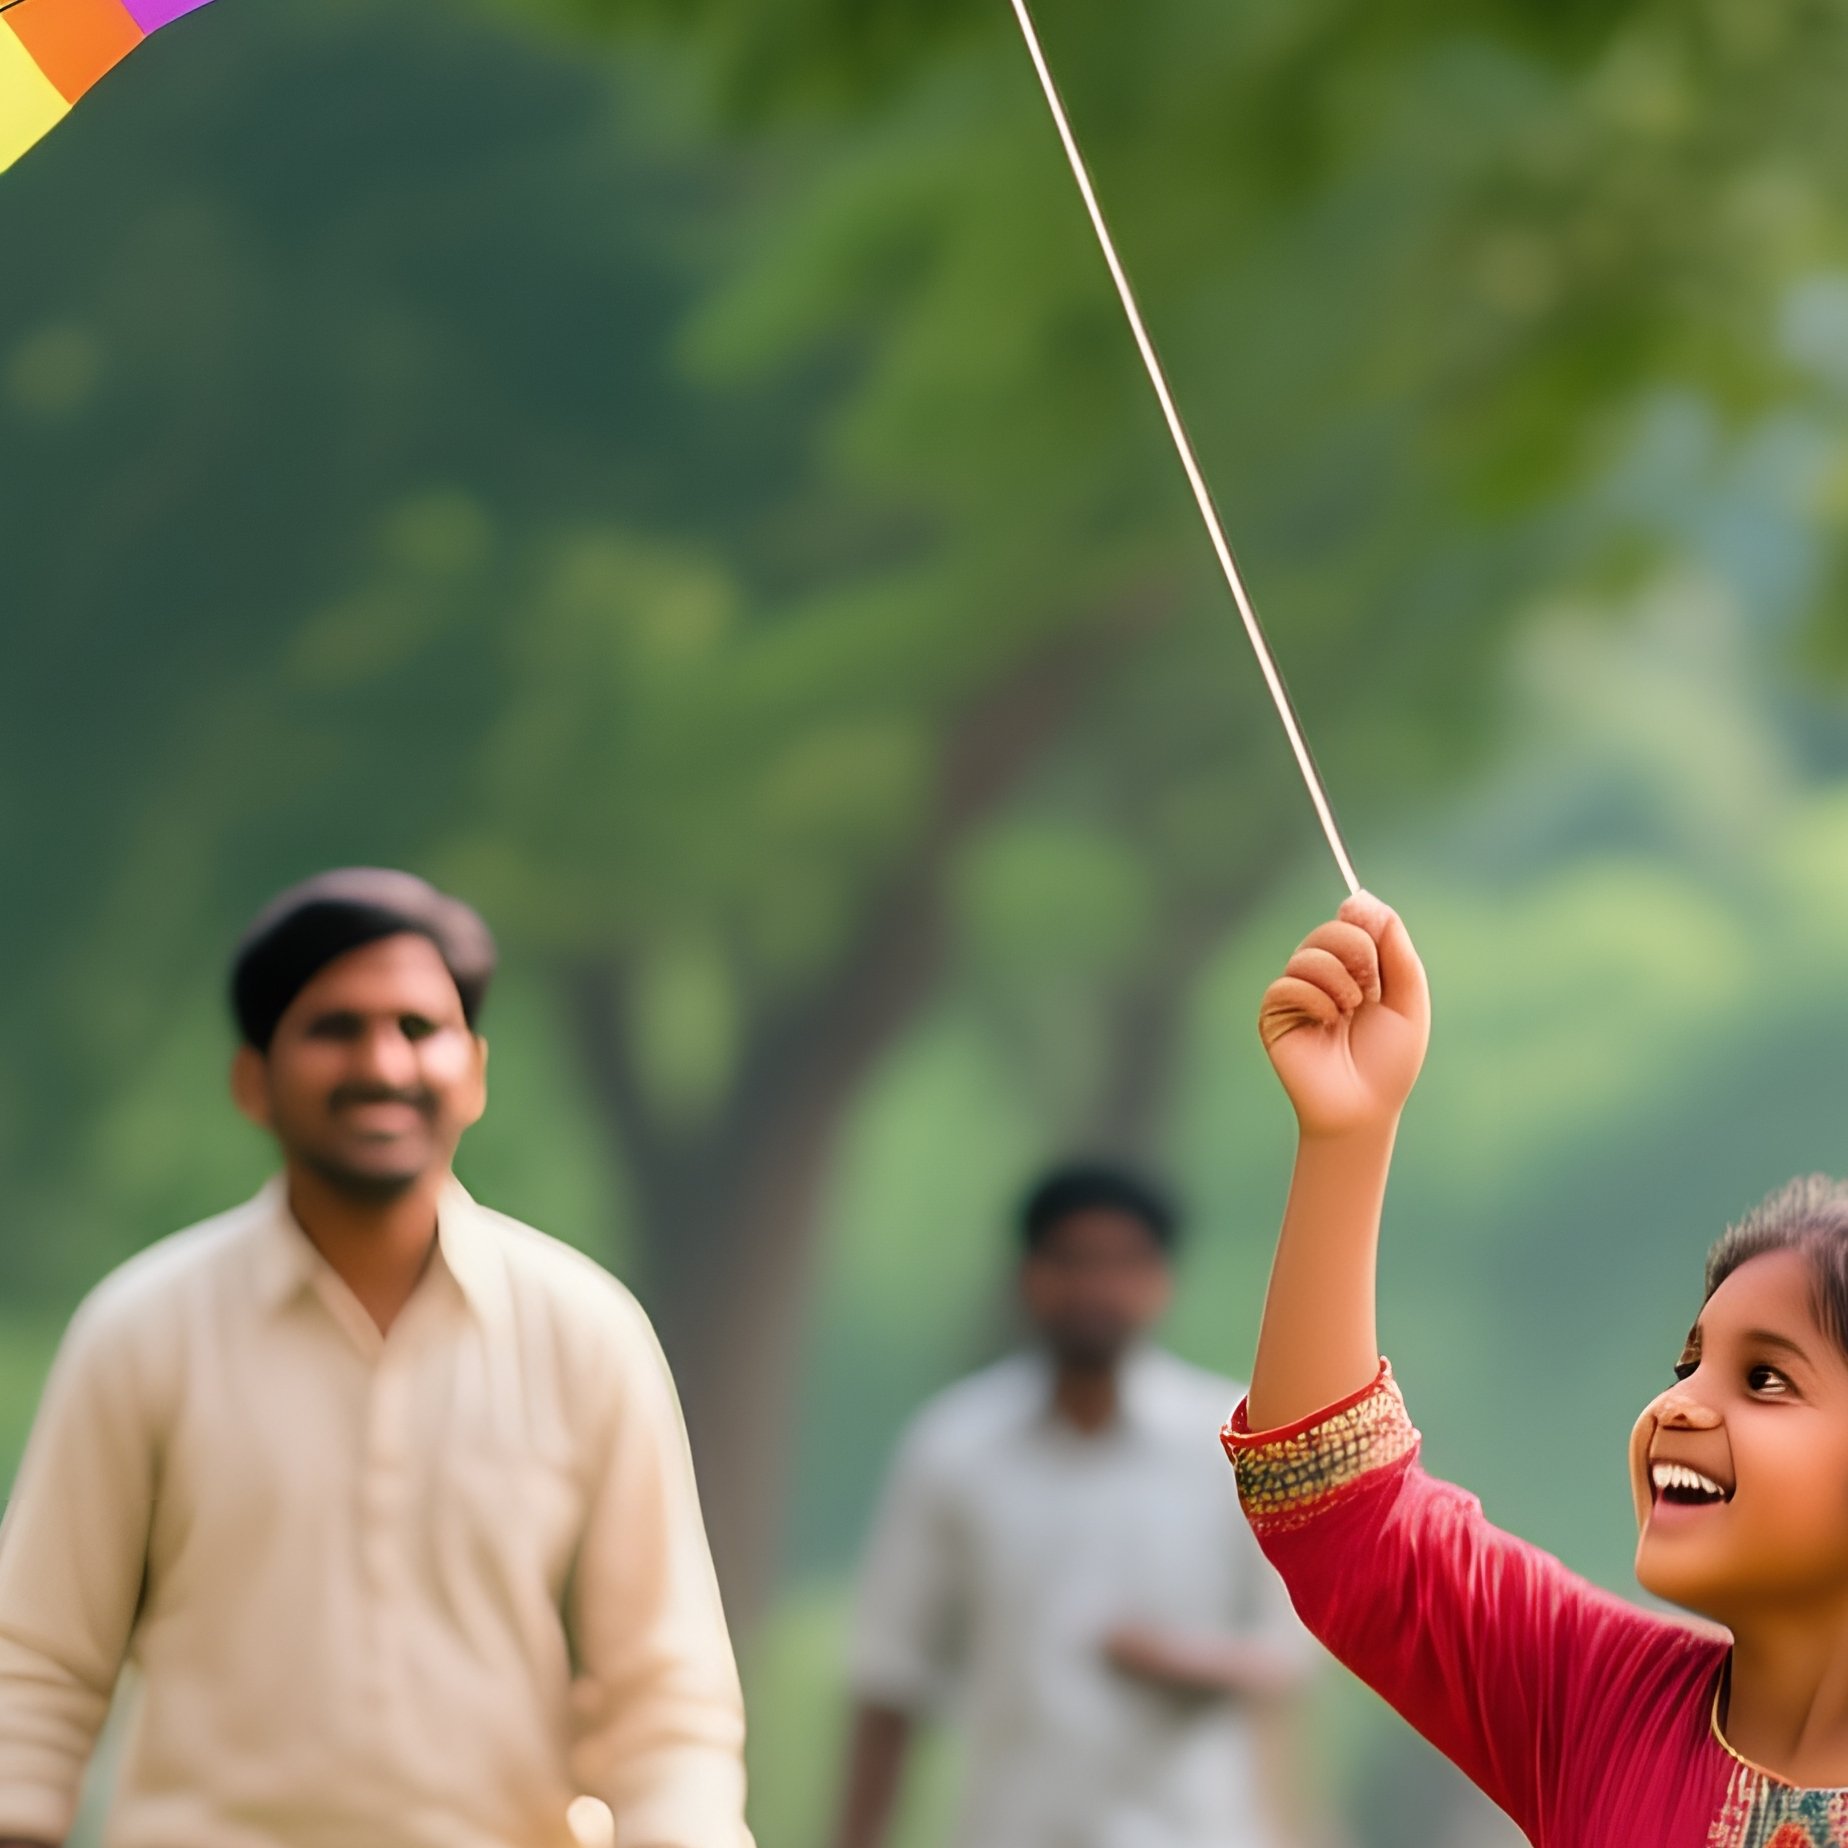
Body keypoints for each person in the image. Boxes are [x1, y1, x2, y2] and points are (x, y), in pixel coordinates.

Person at [0, 868, 752, 1848]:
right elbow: (39, 1664)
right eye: (335, 1028)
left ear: (474, 1072)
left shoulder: (585, 1334)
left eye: (418, 1027)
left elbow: (663, 1694)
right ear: (252, 1079)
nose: (384, 1063)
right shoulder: (143, 1331)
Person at [1227, 890, 1848, 1846]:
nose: (1680, 1406)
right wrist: (1348, 1134)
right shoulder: (1595, 1700)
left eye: (1767, 1379)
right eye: (1688, 1364)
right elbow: (1338, 1510)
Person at [831, 1161, 1314, 1848]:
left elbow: (1291, 1651)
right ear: (1028, 1277)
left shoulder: (1233, 1443)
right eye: (1073, 1261)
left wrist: (1183, 1662)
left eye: (1122, 1264)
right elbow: (892, 1671)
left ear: (1160, 1280)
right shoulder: (954, 1449)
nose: (1096, 1287)